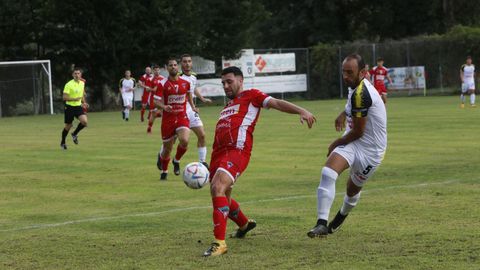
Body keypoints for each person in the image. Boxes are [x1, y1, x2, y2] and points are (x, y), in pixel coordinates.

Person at [203, 66, 316, 257]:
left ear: (240, 80)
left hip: (236, 151)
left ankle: (219, 243)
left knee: (218, 188)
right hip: (218, 154)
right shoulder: (227, 106)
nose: (226, 86)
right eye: (223, 83)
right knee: (223, 196)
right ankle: (245, 225)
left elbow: (276, 103)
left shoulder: (252, 95)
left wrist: (301, 110)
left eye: (229, 81)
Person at [307, 54, 387, 238]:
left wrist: (335, 142)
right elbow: (357, 105)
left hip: (371, 150)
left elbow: (358, 131)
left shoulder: (362, 93)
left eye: (349, 72)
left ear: (362, 72)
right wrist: (344, 113)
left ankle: (341, 215)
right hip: (353, 141)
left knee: (352, 190)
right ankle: (321, 224)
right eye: (343, 72)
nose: (345, 76)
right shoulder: (358, 84)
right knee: (328, 172)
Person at [154, 58, 197, 180]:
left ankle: (176, 160)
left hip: (182, 116)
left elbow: (189, 96)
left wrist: (193, 107)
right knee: (167, 149)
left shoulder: (185, 83)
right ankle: (164, 171)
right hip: (168, 119)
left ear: (178, 67)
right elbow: (155, 101)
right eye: (170, 65)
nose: (173, 67)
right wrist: (164, 106)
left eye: (175, 65)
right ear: (167, 68)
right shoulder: (162, 84)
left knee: (184, 140)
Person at [180, 54, 212, 167]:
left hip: (191, 109)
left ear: (191, 63)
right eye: (184, 61)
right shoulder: (178, 78)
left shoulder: (193, 76)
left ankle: (202, 162)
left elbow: (193, 89)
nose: (187, 63)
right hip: (180, 111)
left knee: (202, 135)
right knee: (172, 141)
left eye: (189, 61)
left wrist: (202, 99)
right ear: (181, 64)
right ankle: (165, 157)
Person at [60, 68, 89, 150]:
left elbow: (82, 94)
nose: (77, 75)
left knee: (84, 122)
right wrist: (75, 99)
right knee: (68, 126)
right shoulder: (68, 84)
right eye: (75, 73)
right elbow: (64, 97)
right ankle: (63, 142)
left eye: (78, 73)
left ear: (81, 75)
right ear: (73, 75)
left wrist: (84, 102)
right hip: (69, 107)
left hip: (78, 106)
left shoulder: (82, 83)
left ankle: (74, 134)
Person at [147, 65, 165, 133]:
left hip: (161, 98)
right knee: (153, 113)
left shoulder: (163, 78)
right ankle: (149, 127)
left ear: (159, 70)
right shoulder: (150, 79)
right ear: (153, 71)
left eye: (158, 70)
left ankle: (164, 128)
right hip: (153, 98)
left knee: (162, 112)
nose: (157, 71)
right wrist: (152, 89)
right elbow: (147, 90)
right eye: (155, 70)